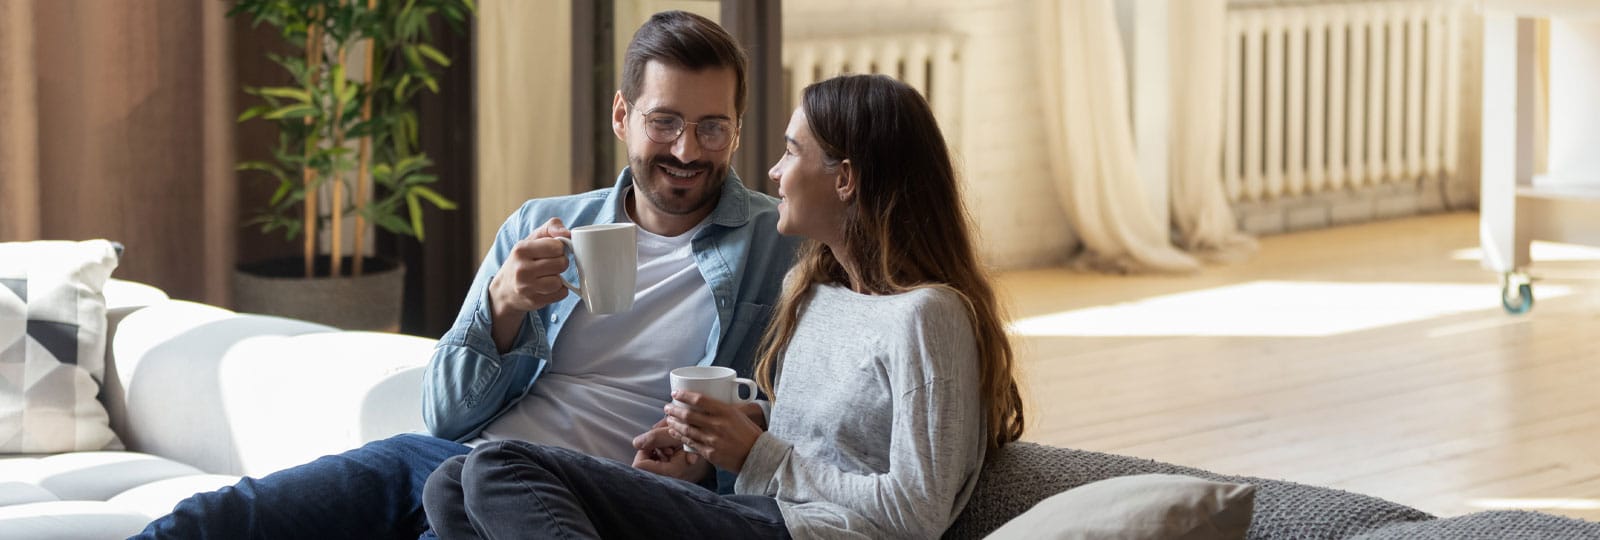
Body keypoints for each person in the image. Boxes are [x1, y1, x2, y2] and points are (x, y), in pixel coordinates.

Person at [135, 11, 800, 539]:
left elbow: (813, 422)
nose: (688, 150)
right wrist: (502, 305)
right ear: (623, 116)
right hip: (451, 461)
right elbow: (444, 414)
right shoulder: (542, 225)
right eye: (666, 123)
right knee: (215, 521)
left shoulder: (782, 248)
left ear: (738, 130)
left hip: (585, 497)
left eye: (713, 128)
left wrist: (708, 465)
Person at [420, 73, 1028, 539]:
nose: (773, 171)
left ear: (845, 179)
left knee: (499, 468)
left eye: (791, 154)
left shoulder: (927, 317)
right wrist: (721, 439)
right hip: (753, 514)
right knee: (451, 483)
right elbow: (821, 438)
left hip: (805, 532)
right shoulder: (817, 294)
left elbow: (917, 514)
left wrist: (755, 455)